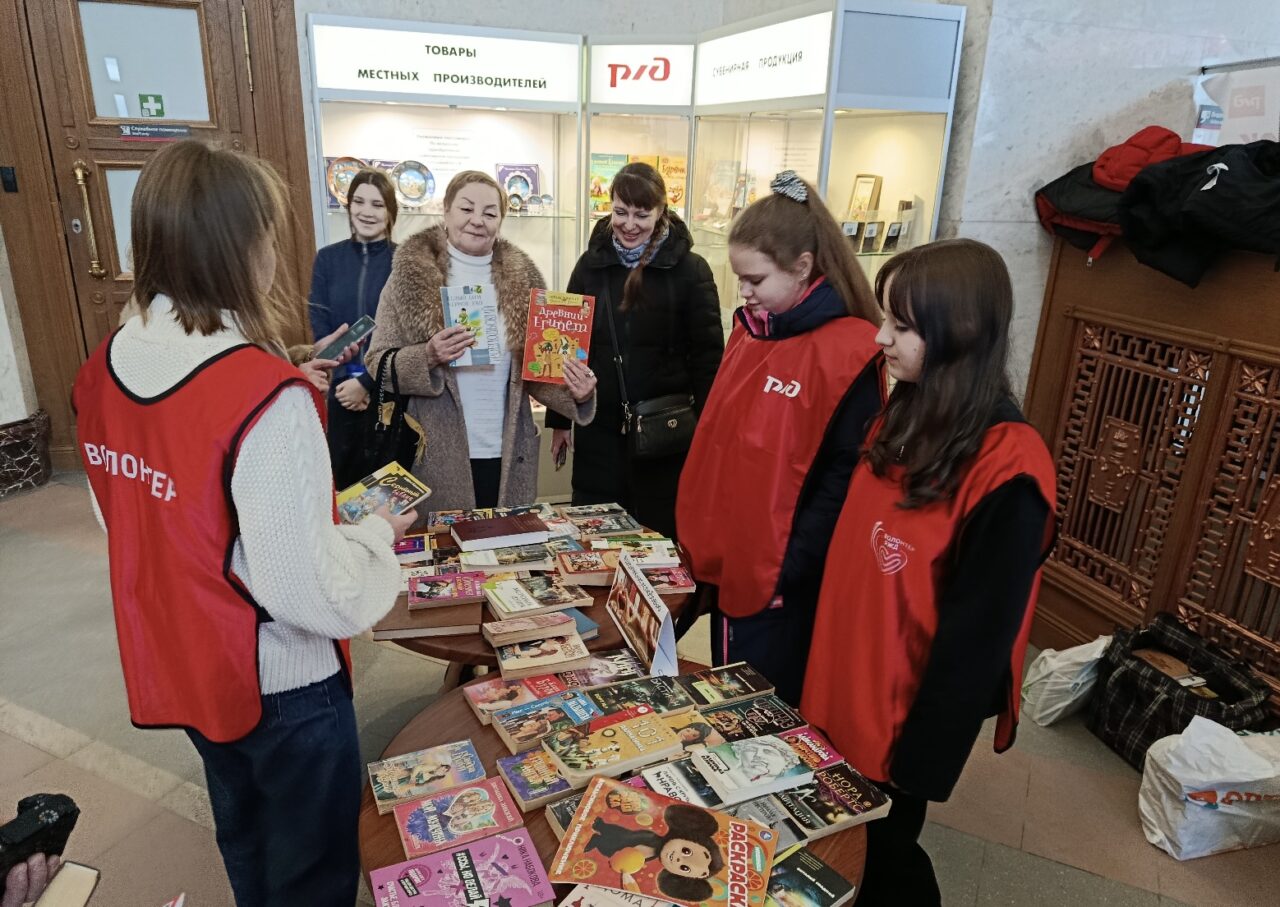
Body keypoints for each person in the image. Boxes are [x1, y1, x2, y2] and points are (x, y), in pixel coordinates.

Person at [71, 140, 414, 907]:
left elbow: (130, 520)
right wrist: (376, 536)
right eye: (266, 233)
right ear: (237, 247)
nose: (273, 254)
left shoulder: (103, 368)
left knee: (247, 840)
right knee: (312, 873)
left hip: (189, 660)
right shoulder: (265, 392)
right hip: (284, 683)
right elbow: (311, 592)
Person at [800, 239, 1056, 906]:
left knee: (884, 858)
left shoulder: (1008, 468)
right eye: (885, 317)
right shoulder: (905, 409)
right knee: (836, 846)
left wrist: (924, 759)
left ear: (959, 332)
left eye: (902, 325)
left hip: (897, 716)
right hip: (839, 683)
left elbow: (979, 640)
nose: (880, 337)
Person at [675, 171, 885, 706]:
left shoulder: (851, 351)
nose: (743, 292)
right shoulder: (752, 330)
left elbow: (844, 477)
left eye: (755, 279)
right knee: (732, 693)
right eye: (739, 278)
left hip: (783, 572)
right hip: (733, 555)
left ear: (803, 267)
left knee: (767, 705)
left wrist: (790, 563)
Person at [367, 170, 597, 511]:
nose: (477, 220)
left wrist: (578, 392)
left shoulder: (525, 280)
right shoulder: (410, 275)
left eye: (490, 213)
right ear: (446, 211)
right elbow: (377, 363)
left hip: (508, 451)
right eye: (466, 209)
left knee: (505, 540)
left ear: (501, 220)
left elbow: (535, 372)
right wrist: (428, 355)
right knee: (448, 542)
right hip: (435, 453)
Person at [545, 162, 723, 537]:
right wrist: (560, 420)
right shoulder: (590, 265)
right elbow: (567, 345)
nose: (629, 224)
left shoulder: (691, 270)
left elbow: (708, 360)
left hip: (665, 434)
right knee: (595, 534)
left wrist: (709, 435)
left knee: (659, 537)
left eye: (642, 215)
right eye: (620, 212)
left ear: (661, 212)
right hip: (599, 428)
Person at [309, 168, 398, 487]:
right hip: (339, 394)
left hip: (389, 395)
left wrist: (367, 383)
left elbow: (406, 335)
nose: (366, 212)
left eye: (377, 204)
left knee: (387, 491)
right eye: (359, 202)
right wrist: (345, 380)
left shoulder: (403, 262)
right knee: (342, 491)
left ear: (390, 211)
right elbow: (320, 326)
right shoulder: (327, 259)